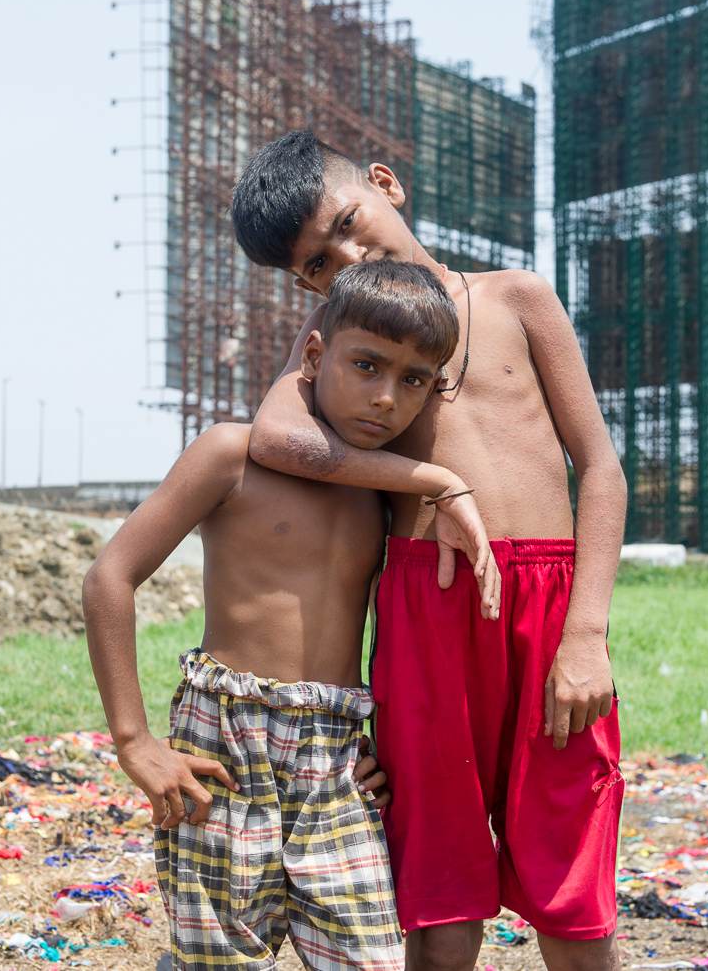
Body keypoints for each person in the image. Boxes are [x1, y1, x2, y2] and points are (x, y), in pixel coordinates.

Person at [231, 130, 629, 971]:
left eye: (347, 222)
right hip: (424, 615)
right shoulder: (341, 350)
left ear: (387, 184)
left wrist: (586, 632)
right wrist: (432, 482)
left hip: (547, 606)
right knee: (438, 880)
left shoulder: (515, 298)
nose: (344, 258)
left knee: (571, 861)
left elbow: (599, 467)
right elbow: (273, 435)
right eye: (314, 266)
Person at [83, 260, 468, 971]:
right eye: (367, 365)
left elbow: (403, 631)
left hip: (336, 754)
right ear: (316, 357)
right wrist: (135, 743)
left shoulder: (389, 493)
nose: (386, 398)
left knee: (369, 956)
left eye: (413, 380)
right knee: (217, 956)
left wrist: (381, 744)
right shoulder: (231, 454)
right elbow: (112, 576)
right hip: (225, 740)